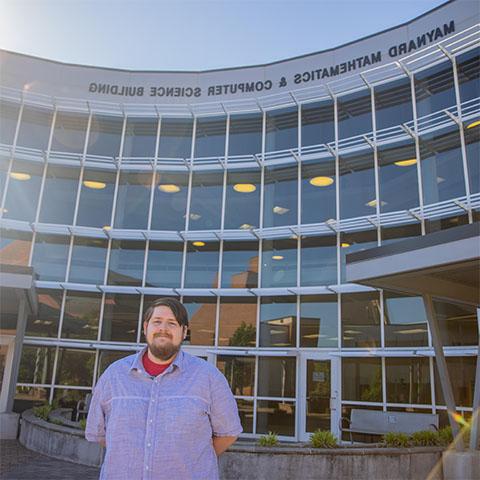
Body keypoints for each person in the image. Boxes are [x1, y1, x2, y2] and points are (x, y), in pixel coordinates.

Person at [86, 297, 242, 479]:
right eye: (157, 322)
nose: (163, 329)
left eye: (172, 323)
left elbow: (228, 434)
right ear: (145, 328)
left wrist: (191, 460)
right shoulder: (113, 375)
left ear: (184, 332)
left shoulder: (209, 377)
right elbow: (101, 435)